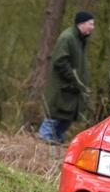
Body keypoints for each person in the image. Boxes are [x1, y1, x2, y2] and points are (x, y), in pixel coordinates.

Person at [37, 11, 95, 144]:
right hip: (62, 87)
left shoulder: (80, 40)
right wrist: (74, 78)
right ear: (81, 24)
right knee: (53, 115)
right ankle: (41, 144)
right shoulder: (67, 38)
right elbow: (60, 61)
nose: (92, 27)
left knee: (65, 118)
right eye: (90, 24)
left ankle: (54, 142)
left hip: (72, 89)